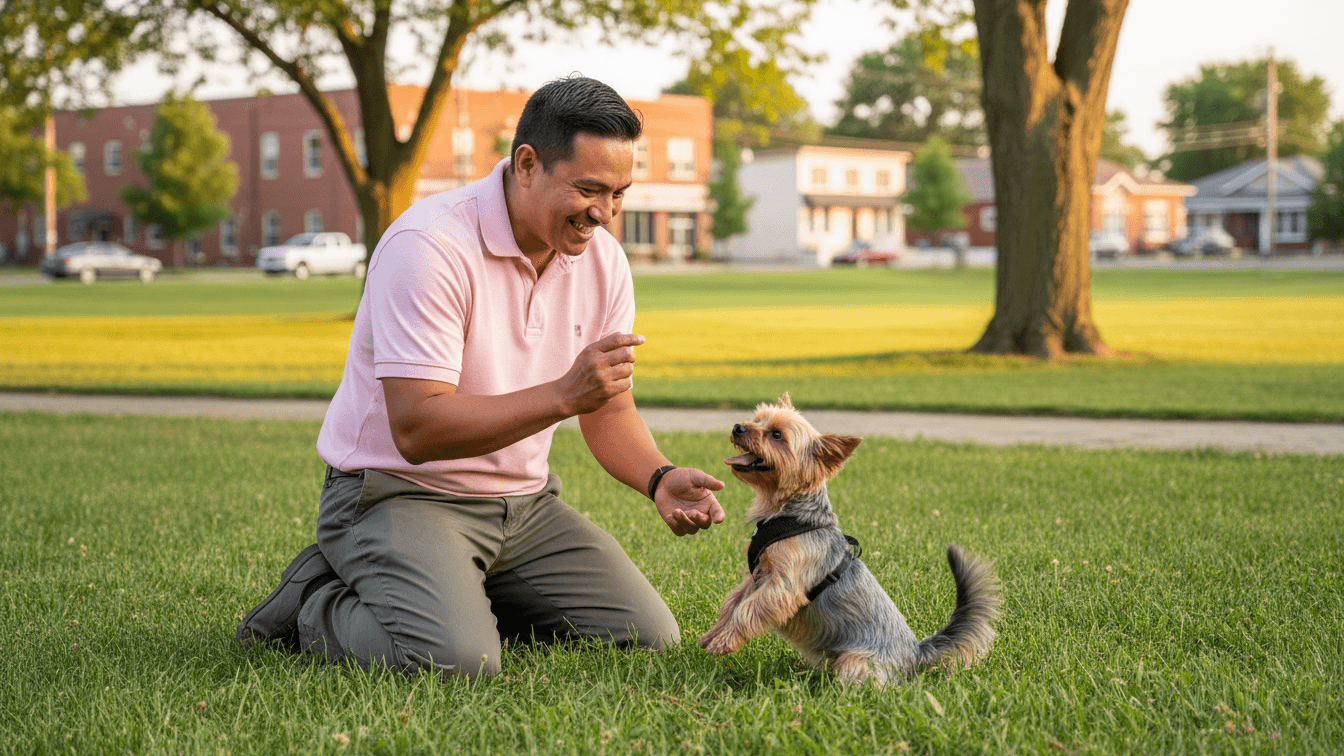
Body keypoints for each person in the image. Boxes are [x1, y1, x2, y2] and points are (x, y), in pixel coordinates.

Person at [235, 76, 726, 678]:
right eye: (589, 190)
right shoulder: (431, 245)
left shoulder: (602, 261)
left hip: (523, 506)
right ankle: (315, 601)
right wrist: (559, 395)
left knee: (645, 637)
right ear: (526, 165)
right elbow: (418, 428)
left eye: (619, 194)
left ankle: (450, 592)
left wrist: (659, 477)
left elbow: (606, 408)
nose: (604, 215)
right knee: (457, 664)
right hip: (398, 492)